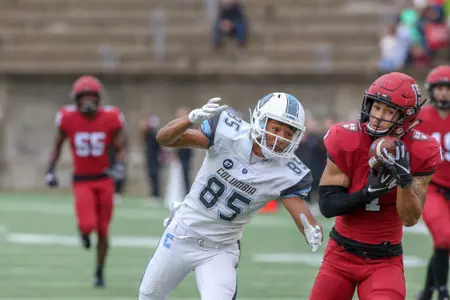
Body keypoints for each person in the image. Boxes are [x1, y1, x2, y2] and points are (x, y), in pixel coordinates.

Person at [138, 93, 323, 300]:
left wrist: (311, 229)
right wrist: (190, 119)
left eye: (289, 133)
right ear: (260, 120)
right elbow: (164, 138)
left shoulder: (287, 172)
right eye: (276, 129)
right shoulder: (228, 134)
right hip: (182, 233)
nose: (281, 138)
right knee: (148, 296)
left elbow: (303, 215)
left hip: (220, 250)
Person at [310, 72, 442, 300]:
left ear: (406, 117)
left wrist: (403, 180)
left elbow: (410, 219)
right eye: (376, 107)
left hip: (384, 259)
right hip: (340, 255)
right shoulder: (346, 138)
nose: (378, 116)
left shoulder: (422, 150)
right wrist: (367, 193)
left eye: (389, 111)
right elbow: (328, 205)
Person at [45, 75, 125, 288]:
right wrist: (50, 170)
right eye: (84, 97)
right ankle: (84, 233)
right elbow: (57, 145)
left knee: (104, 231)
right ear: (77, 100)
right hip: (82, 180)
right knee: (87, 224)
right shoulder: (67, 118)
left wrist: (119, 165)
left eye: (91, 97)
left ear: (98, 98)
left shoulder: (111, 118)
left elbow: (119, 146)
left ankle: (99, 271)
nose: (88, 101)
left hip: (104, 179)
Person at [415, 65, 450, 300]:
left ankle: (427, 291)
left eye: (448, 89)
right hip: (432, 188)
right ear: (431, 90)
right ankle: (443, 292)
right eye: (439, 88)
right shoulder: (420, 118)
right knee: (445, 237)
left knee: (443, 242)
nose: (444, 94)